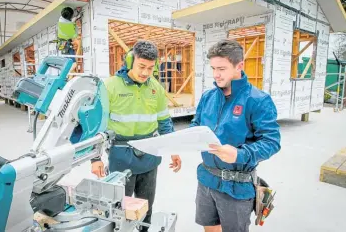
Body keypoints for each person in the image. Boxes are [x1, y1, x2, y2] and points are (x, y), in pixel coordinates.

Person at [190, 40, 281, 232]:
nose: (216, 74)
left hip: (236, 187)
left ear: (239, 66)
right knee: (210, 228)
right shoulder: (208, 97)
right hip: (206, 179)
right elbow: (195, 125)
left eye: (221, 68)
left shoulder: (258, 100)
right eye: (213, 68)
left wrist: (239, 155)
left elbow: (271, 142)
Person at [91, 40, 182, 232]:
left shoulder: (155, 87)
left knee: (145, 207)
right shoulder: (110, 86)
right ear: (130, 61)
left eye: (150, 68)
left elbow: (164, 122)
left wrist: (173, 149)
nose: (145, 73)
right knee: (120, 209)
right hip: (121, 156)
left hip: (149, 155)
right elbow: (95, 126)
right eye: (141, 66)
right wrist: (95, 158)